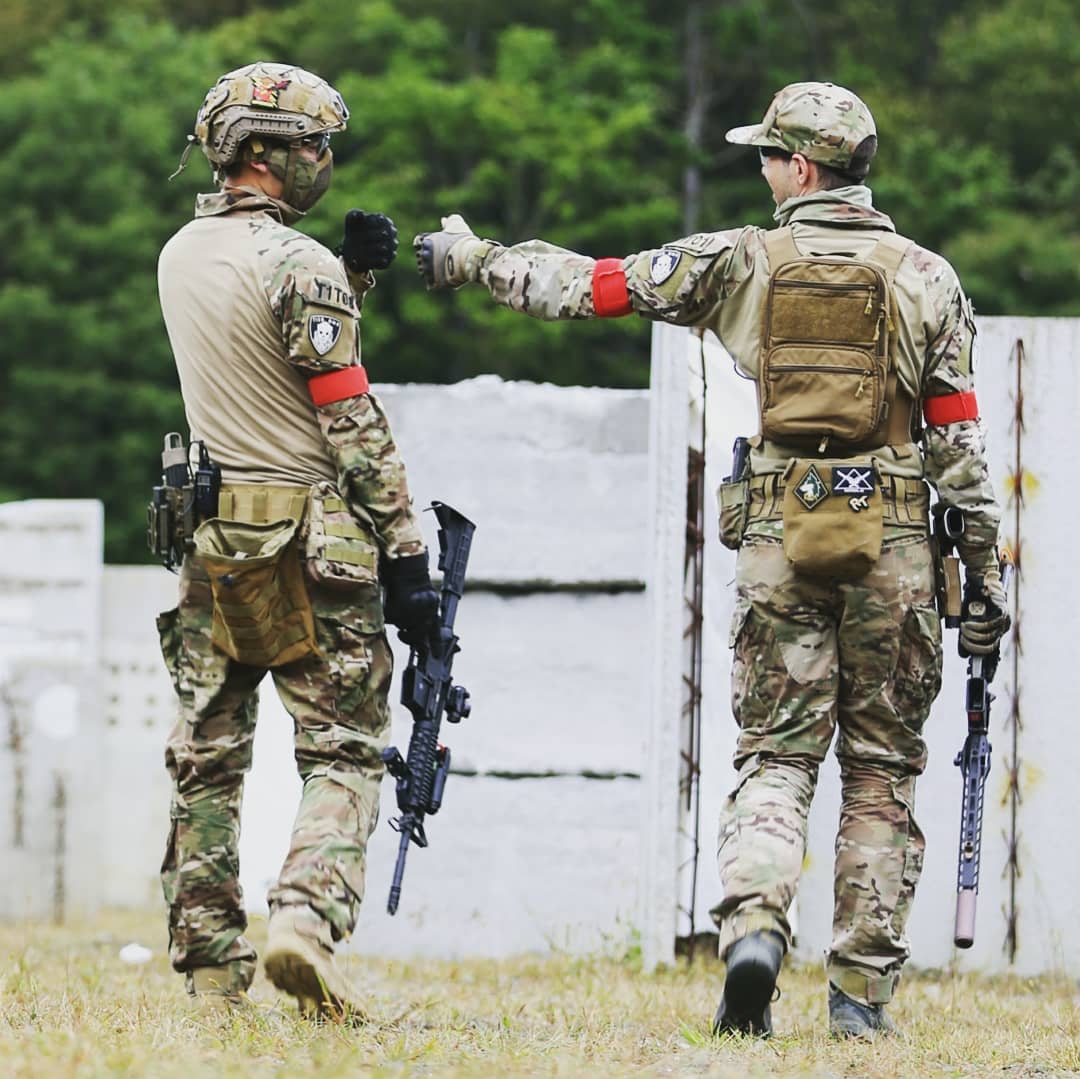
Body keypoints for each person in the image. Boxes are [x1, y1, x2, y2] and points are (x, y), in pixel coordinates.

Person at [414, 82, 1009, 1039]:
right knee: (882, 772)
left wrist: (474, 259)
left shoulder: (738, 260)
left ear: (802, 168)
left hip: (780, 538)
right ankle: (860, 1002)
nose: (764, 171)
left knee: (775, 757)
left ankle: (755, 936)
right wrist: (983, 576)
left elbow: (594, 286)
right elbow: (958, 447)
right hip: (896, 547)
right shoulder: (927, 278)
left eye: (770, 155)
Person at [156, 61, 438, 1018]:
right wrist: (406, 554)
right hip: (315, 540)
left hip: (214, 535)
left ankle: (208, 969)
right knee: (346, 748)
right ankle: (304, 922)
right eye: (314, 146)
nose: (325, 160)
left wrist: (349, 278)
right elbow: (344, 416)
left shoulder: (181, 253)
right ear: (266, 156)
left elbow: (251, 365)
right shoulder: (297, 266)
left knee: (208, 750)